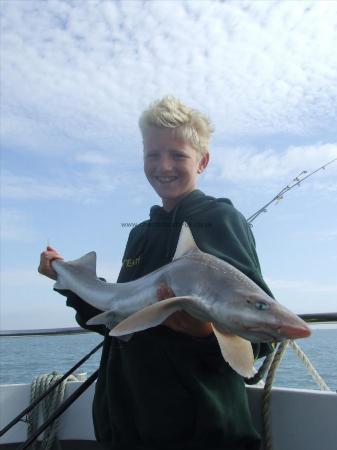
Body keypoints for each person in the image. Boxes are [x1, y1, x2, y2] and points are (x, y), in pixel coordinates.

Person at [39, 96, 273, 450]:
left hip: (198, 431)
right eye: (152, 154)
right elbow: (117, 320)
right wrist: (67, 281)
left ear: (203, 161)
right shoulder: (140, 234)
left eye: (178, 155)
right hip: (127, 425)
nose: (164, 165)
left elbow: (262, 332)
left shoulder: (221, 221)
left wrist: (202, 332)